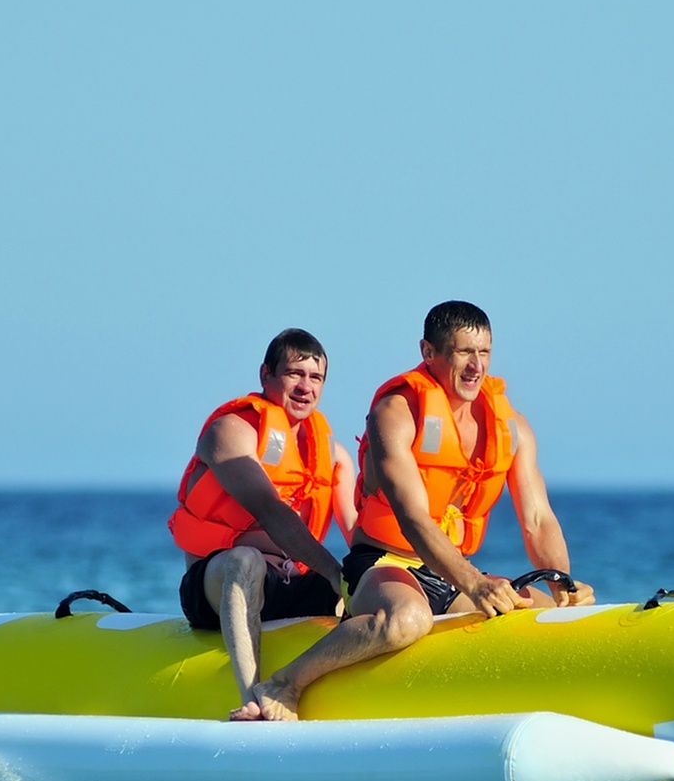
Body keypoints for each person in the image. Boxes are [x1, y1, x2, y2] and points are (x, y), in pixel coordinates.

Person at [233, 301, 593, 721]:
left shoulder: (512, 426)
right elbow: (411, 517)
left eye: (485, 353)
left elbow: (537, 519)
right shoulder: (396, 413)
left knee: (537, 613)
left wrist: (561, 583)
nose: (477, 366)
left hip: (447, 570)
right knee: (407, 618)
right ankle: (283, 683)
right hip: (381, 564)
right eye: (463, 353)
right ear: (429, 353)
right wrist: (475, 584)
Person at [169, 328, 357, 702]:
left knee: (364, 575)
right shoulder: (230, 433)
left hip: (295, 585)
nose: (306, 387)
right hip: (218, 586)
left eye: (315, 377)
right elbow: (271, 512)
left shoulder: (333, 454)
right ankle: (253, 697)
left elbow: (356, 530)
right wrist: (335, 574)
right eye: (294, 374)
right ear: (266, 375)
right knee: (245, 559)